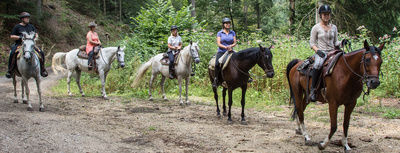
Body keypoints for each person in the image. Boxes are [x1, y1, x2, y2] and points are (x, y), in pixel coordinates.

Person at [309, 4, 347, 101]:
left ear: (330, 15)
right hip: (321, 52)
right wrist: (318, 51)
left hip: (333, 51)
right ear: (320, 15)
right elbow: (312, 43)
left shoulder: (334, 27)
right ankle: (313, 90)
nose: (326, 16)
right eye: (324, 14)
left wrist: (342, 42)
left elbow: (335, 42)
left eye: (328, 14)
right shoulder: (316, 28)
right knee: (317, 65)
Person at [6, 12, 48, 78]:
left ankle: (42, 70)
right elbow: (12, 36)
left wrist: (35, 37)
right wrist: (20, 37)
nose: (28, 19)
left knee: (41, 52)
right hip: (20, 44)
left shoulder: (31, 26)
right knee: (12, 53)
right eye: (26, 18)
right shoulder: (17, 27)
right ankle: (10, 70)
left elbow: (36, 34)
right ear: (22, 19)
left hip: (31, 45)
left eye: (28, 18)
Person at [213, 17, 237, 88]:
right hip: (222, 51)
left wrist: (230, 46)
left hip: (231, 51)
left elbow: (235, 42)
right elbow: (218, 43)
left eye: (229, 23)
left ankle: (247, 77)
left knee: (241, 59)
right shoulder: (220, 33)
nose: (228, 24)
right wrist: (226, 47)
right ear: (223, 24)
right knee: (217, 64)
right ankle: (216, 79)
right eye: (226, 23)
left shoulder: (232, 32)